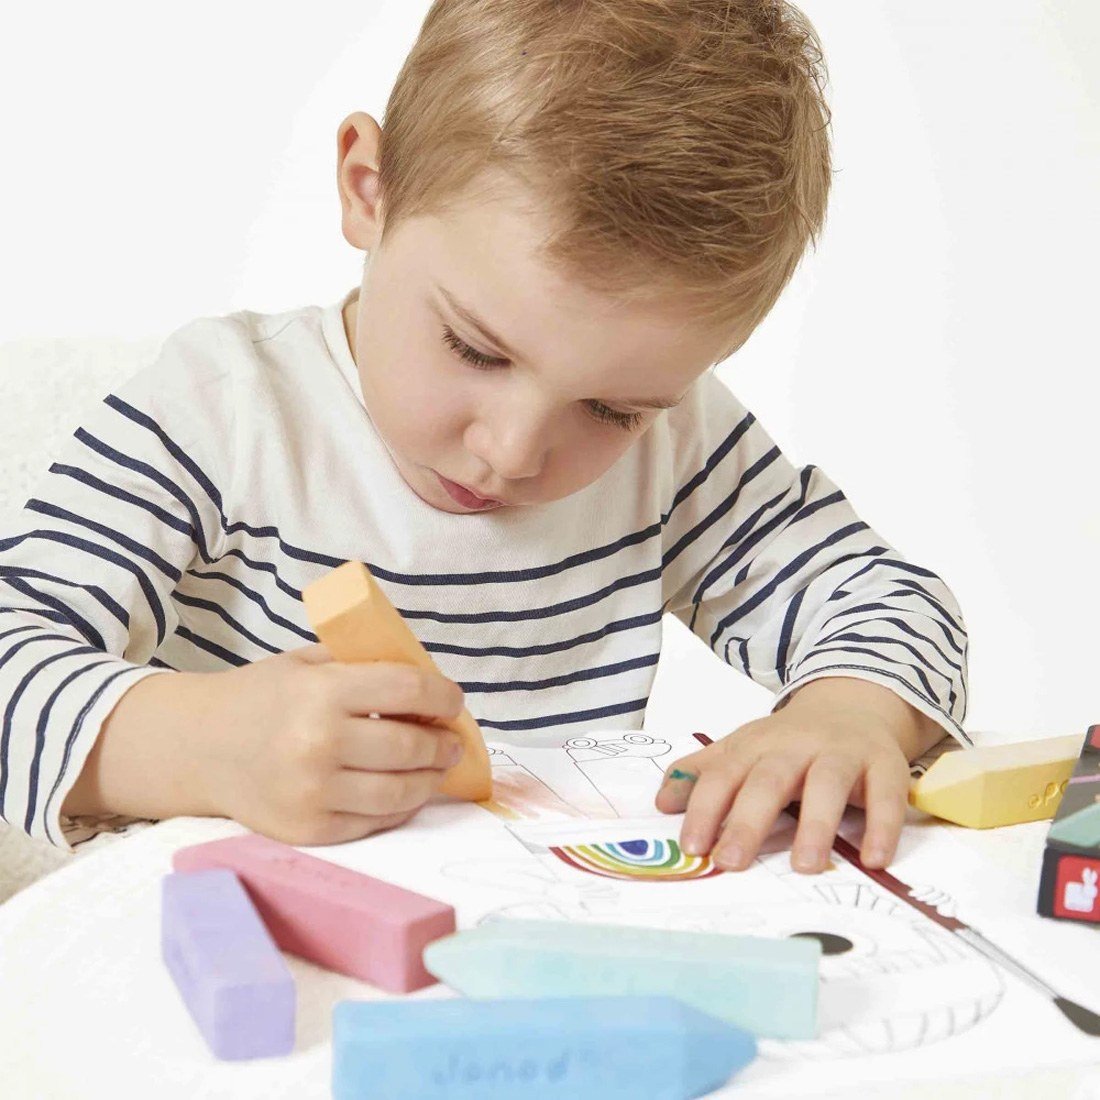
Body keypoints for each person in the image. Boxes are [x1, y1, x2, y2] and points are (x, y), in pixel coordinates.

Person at [0, 0, 968, 877]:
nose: (512, 453)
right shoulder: (224, 412)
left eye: (611, 411)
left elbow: (885, 597)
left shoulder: (677, 441)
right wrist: (204, 746)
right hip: (242, 935)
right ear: (369, 187)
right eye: (475, 348)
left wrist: (848, 711)